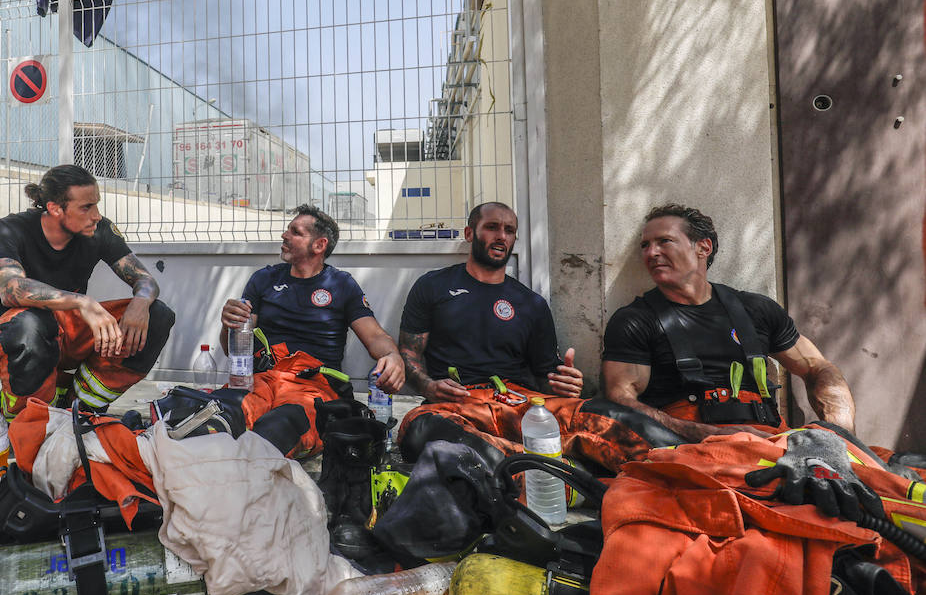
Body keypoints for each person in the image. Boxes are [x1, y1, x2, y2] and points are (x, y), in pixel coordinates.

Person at [396, 202, 675, 470]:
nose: (501, 236)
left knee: (614, 417)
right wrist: (429, 387)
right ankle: (556, 469)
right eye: (492, 227)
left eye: (509, 230)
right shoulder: (433, 286)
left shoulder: (530, 303)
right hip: (458, 405)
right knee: (420, 430)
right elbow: (408, 355)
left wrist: (565, 384)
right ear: (470, 233)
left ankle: (689, 465)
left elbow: (546, 377)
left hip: (521, 403)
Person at [601, 203, 856, 442]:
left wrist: (838, 433)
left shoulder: (757, 309)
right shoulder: (634, 320)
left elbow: (819, 368)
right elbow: (621, 399)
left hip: (772, 441)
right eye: (645, 245)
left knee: (879, 479)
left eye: (664, 241)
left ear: (703, 248)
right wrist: (709, 434)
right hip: (690, 448)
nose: (651, 253)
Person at [0, 165, 174, 417]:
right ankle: (29, 420)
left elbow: (145, 280)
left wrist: (141, 301)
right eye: (86, 207)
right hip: (17, 336)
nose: (96, 215)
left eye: (96, 205)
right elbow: (10, 288)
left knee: (158, 314)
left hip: (68, 334)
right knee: (28, 324)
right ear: (55, 208)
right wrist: (81, 302)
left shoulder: (100, 230)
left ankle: (83, 406)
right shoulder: (8, 228)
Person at [216, 204, 404, 457]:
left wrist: (392, 355)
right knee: (221, 417)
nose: (284, 235)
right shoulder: (264, 279)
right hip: (263, 380)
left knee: (278, 427)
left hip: (313, 387)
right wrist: (227, 324)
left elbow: (376, 336)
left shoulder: (341, 284)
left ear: (319, 245)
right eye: (287, 230)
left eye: (295, 231)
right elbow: (233, 351)